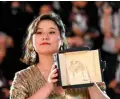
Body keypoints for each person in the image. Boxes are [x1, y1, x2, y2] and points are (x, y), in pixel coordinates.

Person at [10, 12, 110, 99]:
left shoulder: (82, 67)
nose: (45, 37)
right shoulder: (22, 77)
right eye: (39, 32)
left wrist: (90, 82)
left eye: (51, 32)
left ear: (62, 39)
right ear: (32, 40)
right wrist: (49, 86)